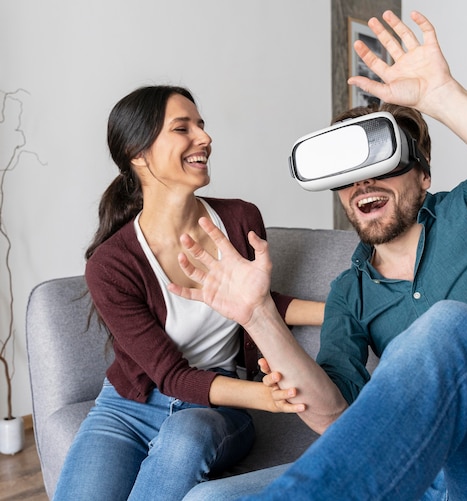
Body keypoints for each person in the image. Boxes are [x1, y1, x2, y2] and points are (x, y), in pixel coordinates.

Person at [171, 10, 467, 501]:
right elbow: (333, 417)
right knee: (208, 499)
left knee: (449, 326)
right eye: (346, 175)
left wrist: (444, 98)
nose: (362, 183)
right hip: (439, 482)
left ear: (423, 174)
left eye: (380, 163)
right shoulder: (351, 290)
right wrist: (258, 315)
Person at [52, 85, 324, 501]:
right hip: (128, 409)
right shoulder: (110, 265)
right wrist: (267, 398)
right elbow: (171, 376)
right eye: (183, 128)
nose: (205, 137)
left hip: (215, 410)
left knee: (185, 435)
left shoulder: (238, 219)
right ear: (138, 154)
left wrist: (348, 308)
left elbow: (256, 303)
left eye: (201, 125)